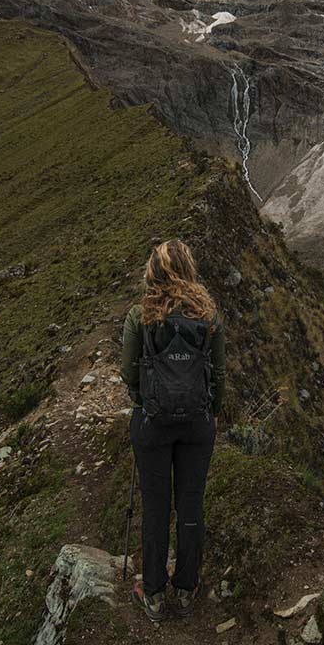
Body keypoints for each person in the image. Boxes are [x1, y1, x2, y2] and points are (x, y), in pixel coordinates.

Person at [120, 238, 226, 622]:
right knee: (191, 502)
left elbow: (127, 371)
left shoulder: (140, 315)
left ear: (155, 270)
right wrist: (212, 412)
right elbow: (220, 374)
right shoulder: (208, 315)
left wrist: (143, 399)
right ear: (188, 268)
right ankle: (185, 587)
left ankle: (152, 591)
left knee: (155, 505)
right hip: (197, 423)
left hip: (152, 423)